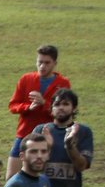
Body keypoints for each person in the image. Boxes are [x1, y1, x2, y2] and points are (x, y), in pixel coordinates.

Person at [31, 88, 92, 187]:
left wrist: (69, 145)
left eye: (65, 104)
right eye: (57, 104)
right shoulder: (41, 130)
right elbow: (32, 166)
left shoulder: (83, 132)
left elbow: (81, 166)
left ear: (74, 108)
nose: (61, 108)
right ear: (51, 109)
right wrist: (47, 147)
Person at [7, 45, 70, 180]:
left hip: (49, 136)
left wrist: (44, 104)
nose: (42, 66)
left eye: (47, 63)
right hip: (25, 133)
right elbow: (13, 105)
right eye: (40, 62)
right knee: (11, 177)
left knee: (46, 177)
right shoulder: (26, 79)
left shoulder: (63, 83)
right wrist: (28, 107)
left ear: (55, 63)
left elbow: (64, 112)